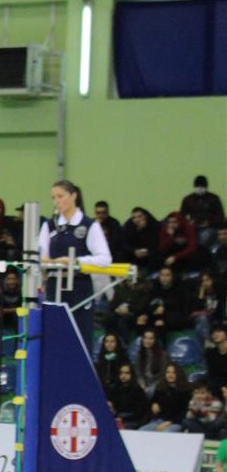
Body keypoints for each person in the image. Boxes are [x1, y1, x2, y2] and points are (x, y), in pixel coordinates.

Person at [38, 179, 111, 342]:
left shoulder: (89, 225)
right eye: (53, 197)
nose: (56, 201)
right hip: (54, 285)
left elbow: (105, 258)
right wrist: (51, 262)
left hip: (80, 286)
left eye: (60, 196)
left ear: (73, 196)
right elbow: (40, 257)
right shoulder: (49, 226)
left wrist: (76, 261)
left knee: (81, 336)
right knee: (54, 337)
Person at [107, 363, 149, 429]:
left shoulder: (138, 390)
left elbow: (140, 413)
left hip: (131, 420)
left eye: (127, 373)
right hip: (116, 417)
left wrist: (122, 419)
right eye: (121, 373)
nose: (123, 375)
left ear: (132, 375)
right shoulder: (115, 388)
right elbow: (113, 406)